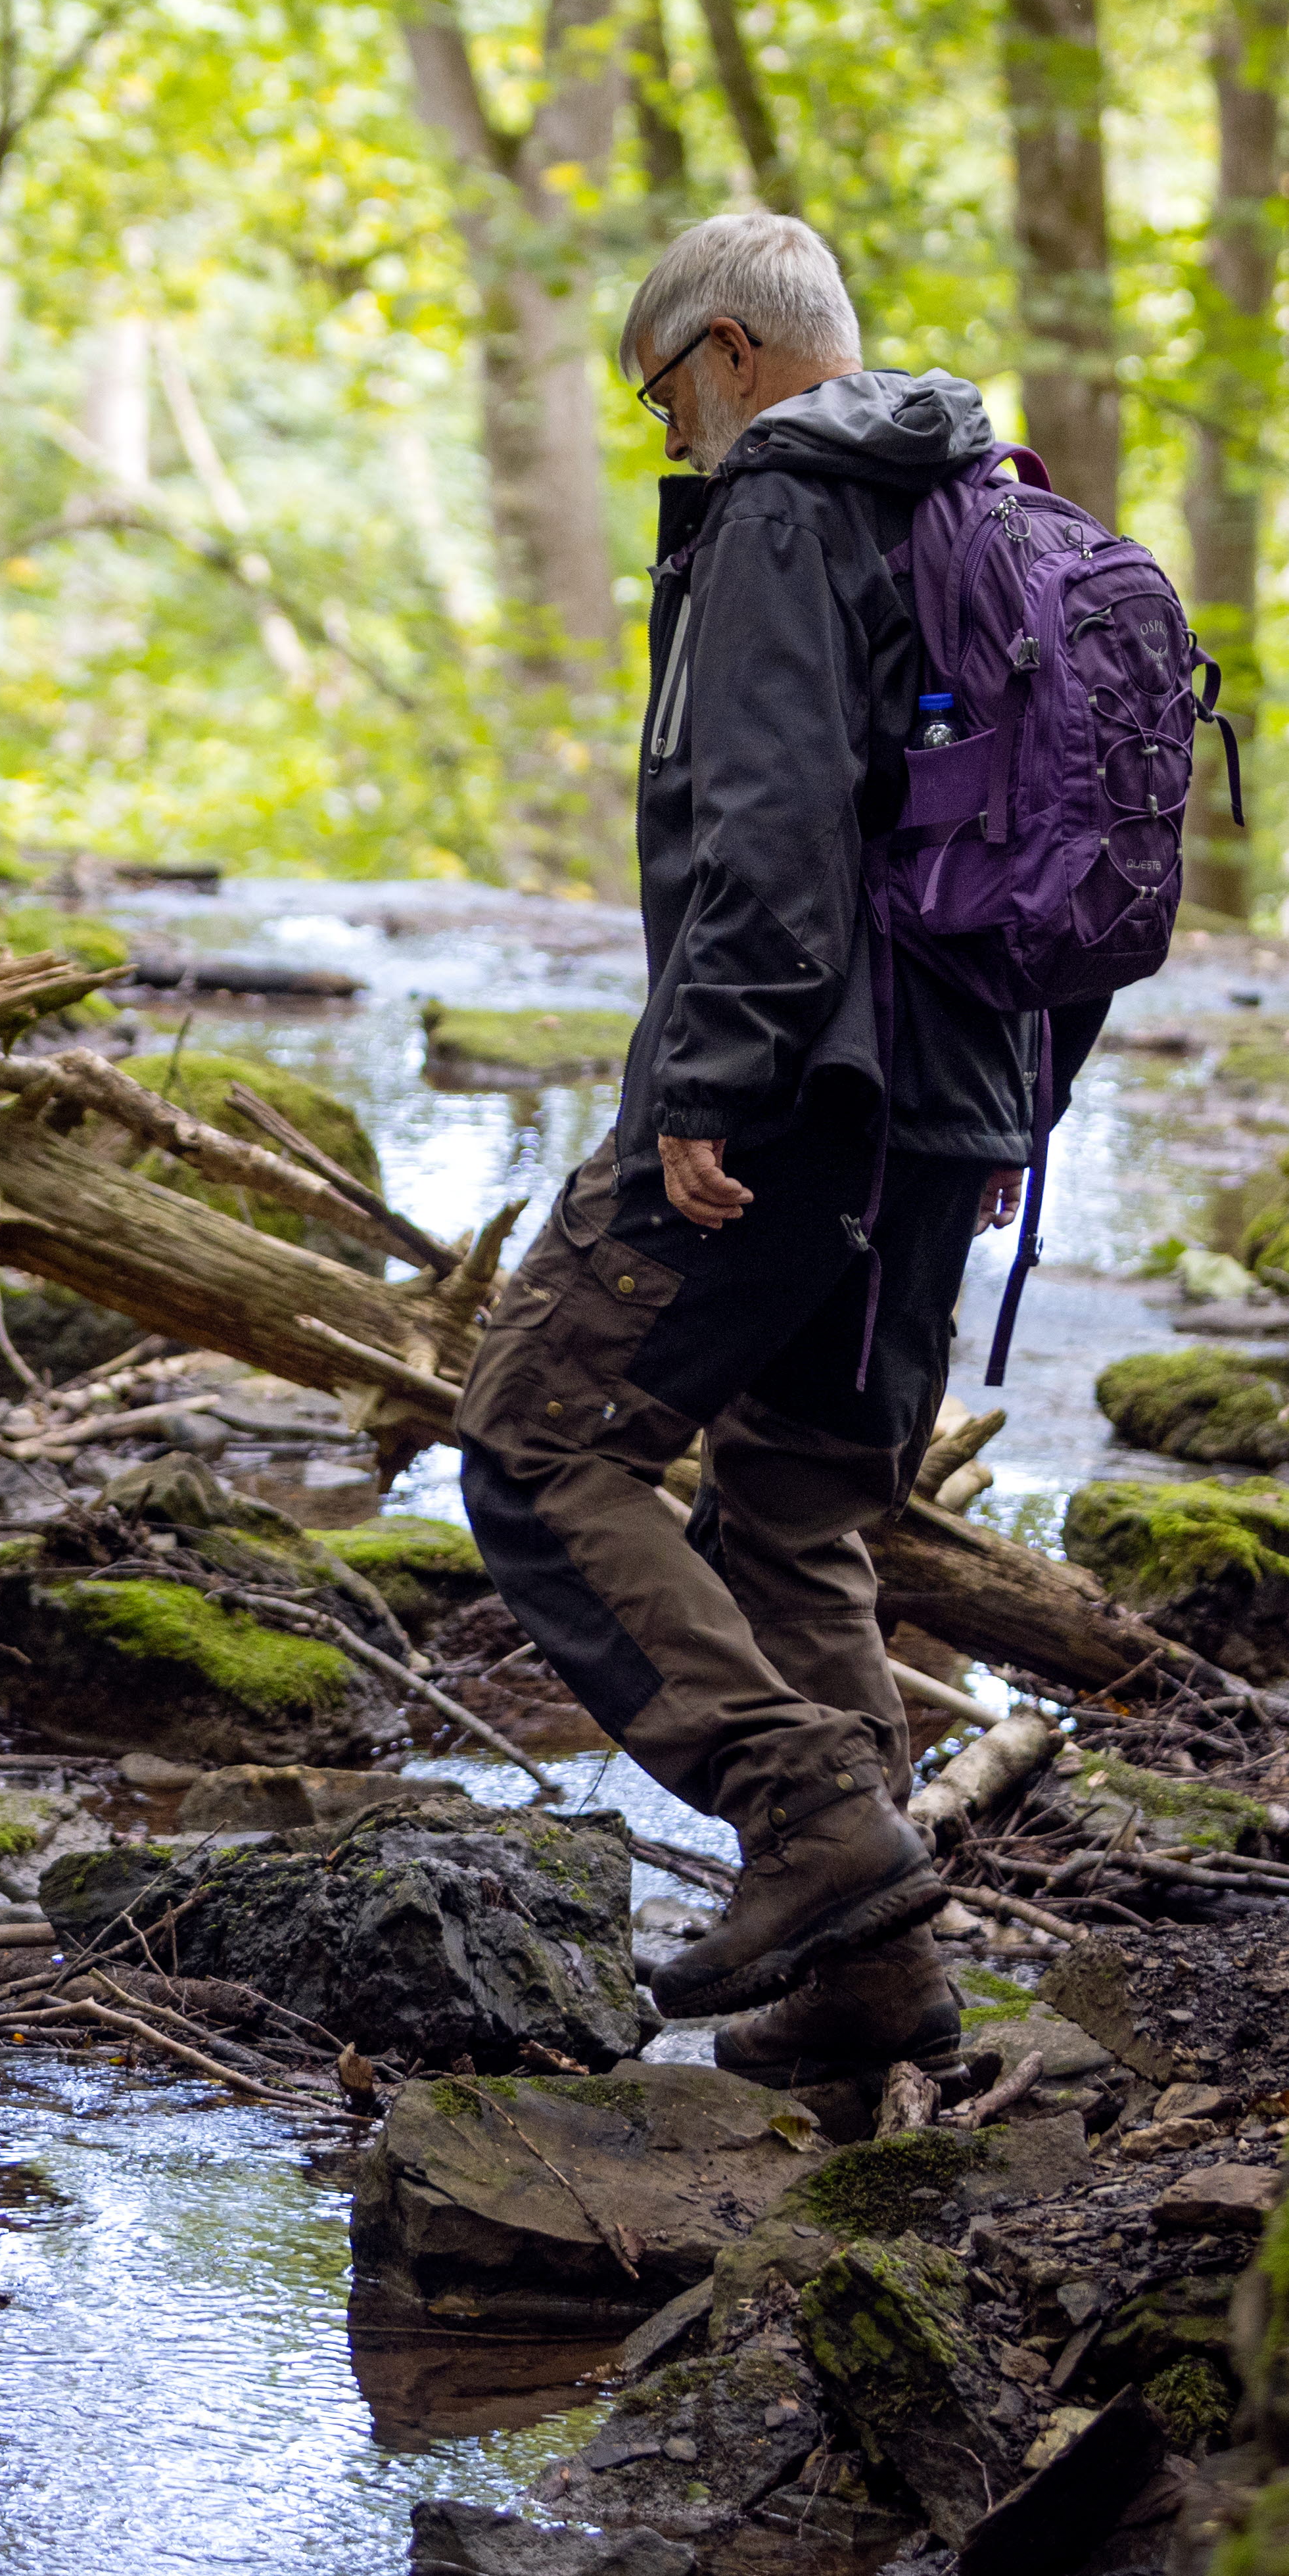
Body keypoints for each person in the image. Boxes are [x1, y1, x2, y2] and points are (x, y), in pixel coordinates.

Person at [455, 212, 1104, 2088]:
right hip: (944, 1106)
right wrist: (1012, 1106)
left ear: (730, 349)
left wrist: (706, 1086)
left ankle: (813, 1822)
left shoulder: (784, 507)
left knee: (535, 1443)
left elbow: (768, 819)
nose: (665, 435)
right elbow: (1074, 859)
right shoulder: (992, 511)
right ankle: (872, 1988)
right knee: (798, 1507)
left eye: (661, 394)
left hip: (795, 1094)